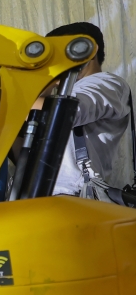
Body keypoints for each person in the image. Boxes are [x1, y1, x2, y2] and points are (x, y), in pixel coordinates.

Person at [42, 22, 133, 196]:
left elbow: (65, 113)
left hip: (71, 197)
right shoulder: (58, 93)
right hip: (38, 198)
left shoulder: (106, 83)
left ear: (88, 50)